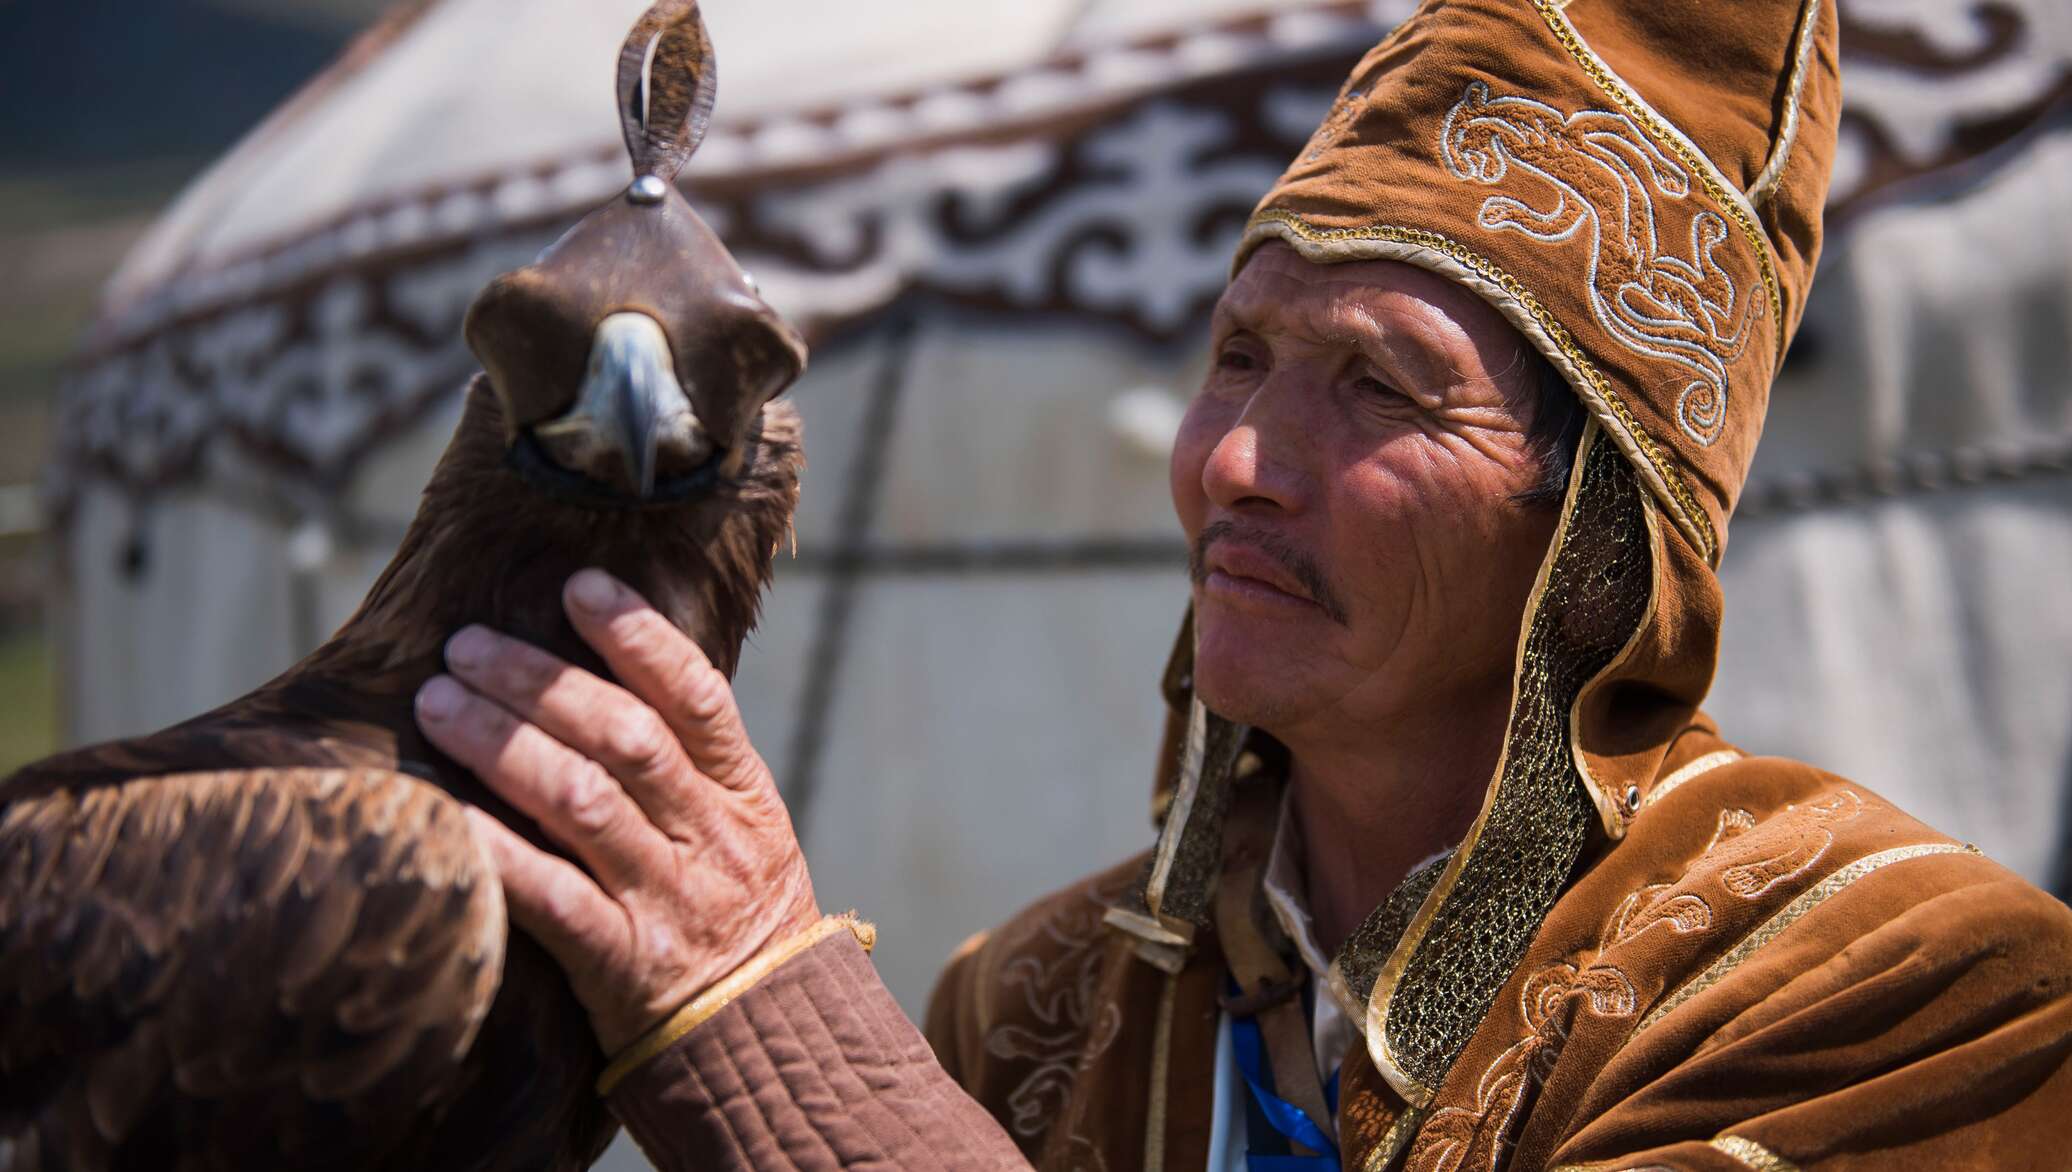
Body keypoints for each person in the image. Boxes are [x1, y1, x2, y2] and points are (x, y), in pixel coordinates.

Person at [409, 0, 2072, 1167]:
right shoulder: (1035, 1007)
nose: (1234, 464)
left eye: (1381, 389)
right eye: (1237, 356)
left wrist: (776, 1036)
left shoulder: (1916, 996)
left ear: (1596, 532)